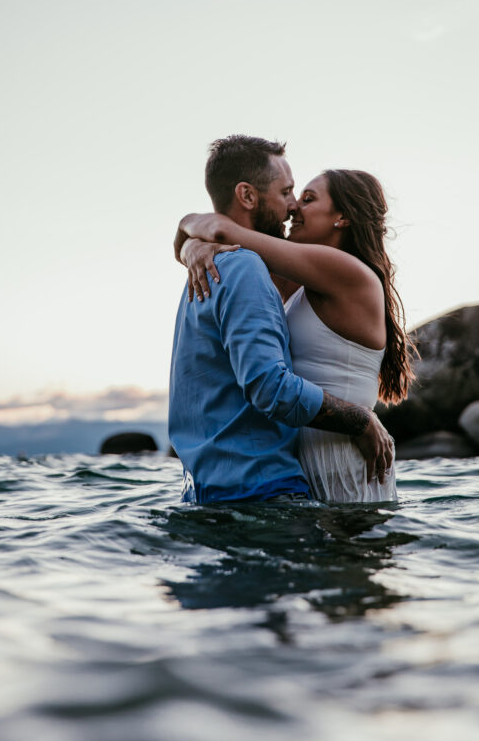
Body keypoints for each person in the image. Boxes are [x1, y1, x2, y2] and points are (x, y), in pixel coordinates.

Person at [168, 135, 394, 505]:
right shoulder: (275, 276)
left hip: (343, 458)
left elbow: (227, 232)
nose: (293, 207)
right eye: (290, 193)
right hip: (302, 467)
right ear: (248, 195)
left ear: (342, 218)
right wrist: (193, 245)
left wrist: (190, 233)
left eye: (306, 198)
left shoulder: (343, 270)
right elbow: (233, 246)